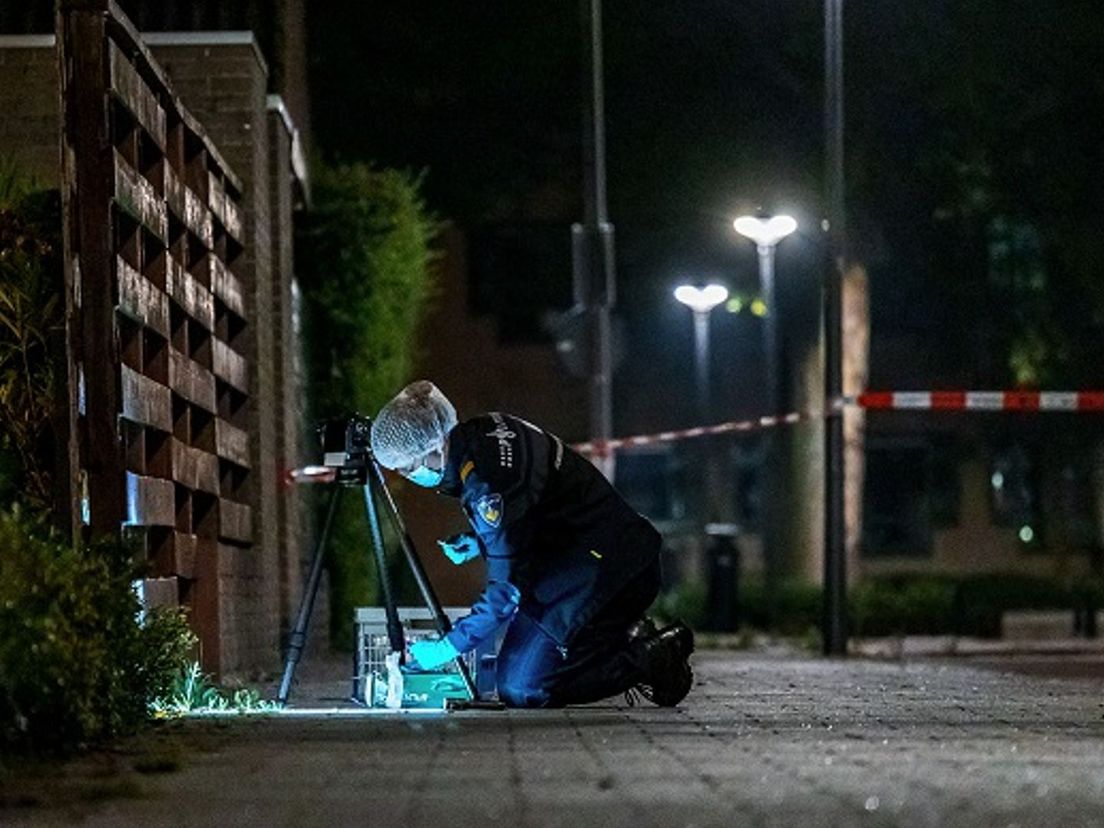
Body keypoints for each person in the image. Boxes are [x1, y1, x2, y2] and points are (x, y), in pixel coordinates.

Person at [369, 380, 694, 708]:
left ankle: (652, 656)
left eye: (410, 467)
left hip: (612, 571)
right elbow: (531, 515)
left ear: (436, 445)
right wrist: (480, 542)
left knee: (524, 687)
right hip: (585, 559)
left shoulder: (487, 485)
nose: (412, 476)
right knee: (515, 670)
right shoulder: (484, 433)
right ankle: (617, 633)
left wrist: (447, 647)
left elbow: (504, 594)